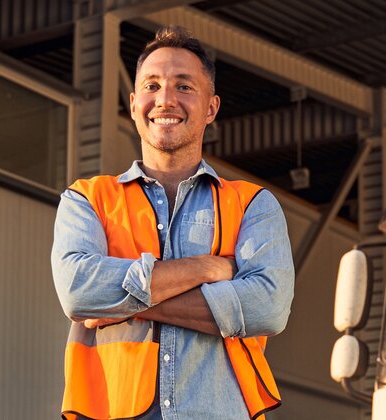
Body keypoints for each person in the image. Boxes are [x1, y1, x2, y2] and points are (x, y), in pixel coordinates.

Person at [50, 25, 294, 420]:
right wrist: (205, 269)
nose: (165, 100)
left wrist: (124, 305)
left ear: (211, 108)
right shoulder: (87, 199)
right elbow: (79, 294)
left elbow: (268, 309)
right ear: (133, 104)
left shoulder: (252, 205)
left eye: (184, 87)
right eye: (152, 86)